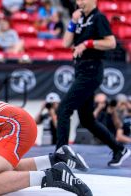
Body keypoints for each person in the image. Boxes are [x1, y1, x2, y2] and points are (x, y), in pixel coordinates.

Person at [58, 0, 130, 167]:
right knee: (87, 119)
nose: (79, 2)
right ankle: (119, 149)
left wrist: (87, 43)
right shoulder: (80, 18)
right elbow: (65, 43)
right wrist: (72, 22)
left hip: (92, 70)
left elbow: (111, 42)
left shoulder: (99, 18)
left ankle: (60, 156)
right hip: (80, 70)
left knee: (64, 109)